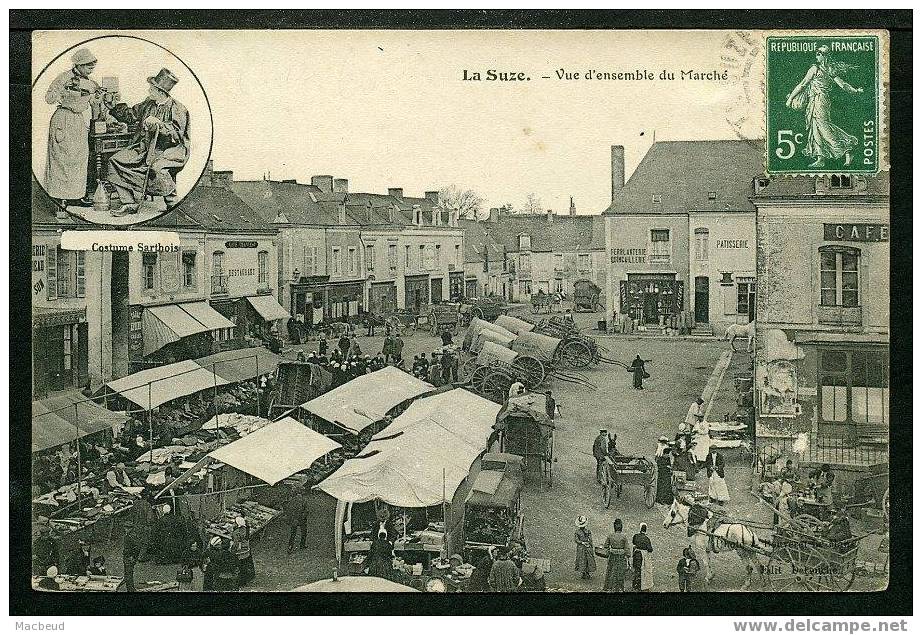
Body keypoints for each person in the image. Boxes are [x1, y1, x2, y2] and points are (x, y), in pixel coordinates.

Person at [106, 68, 191, 213]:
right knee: (114, 160)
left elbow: (177, 136)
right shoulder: (148, 103)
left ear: (160, 91)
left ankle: (172, 203)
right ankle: (128, 202)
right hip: (144, 147)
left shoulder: (178, 108)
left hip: (169, 150)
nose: (149, 91)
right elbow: (131, 114)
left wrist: (159, 124)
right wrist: (113, 105)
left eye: (151, 89)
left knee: (157, 168)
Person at [785, 44, 863, 169]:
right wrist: (855, 91)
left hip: (819, 100)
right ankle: (823, 157)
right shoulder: (828, 70)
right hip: (820, 101)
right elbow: (843, 85)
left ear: (825, 56)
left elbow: (803, 84)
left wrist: (790, 98)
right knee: (817, 127)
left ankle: (846, 149)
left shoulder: (816, 69)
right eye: (817, 52)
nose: (817, 55)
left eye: (820, 53)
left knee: (822, 127)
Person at [43, 47, 99, 205]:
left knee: (79, 157)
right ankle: (59, 197)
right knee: (62, 157)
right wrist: (61, 93)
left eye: (92, 67)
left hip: (78, 121)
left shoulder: (90, 83)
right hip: (63, 119)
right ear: (79, 65)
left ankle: (75, 196)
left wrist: (100, 97)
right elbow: (48, 98)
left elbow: (95, 102)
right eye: (88, 67)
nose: (91, 70)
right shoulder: (64, 78)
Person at [602, 519, 628, 592]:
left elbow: (606, 546)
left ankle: (609, 587)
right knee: (620, 572)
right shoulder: (624, 537)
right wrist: (627, 556)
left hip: (612, 556)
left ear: (614, 527)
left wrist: (610, 551)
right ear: (621, 527)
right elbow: (627, 550)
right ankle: (620, 588)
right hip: (621, 557)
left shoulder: (610, 536)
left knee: (611, 571)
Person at [231, 516, 255, 586]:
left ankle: (240, 582)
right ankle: (245, 581)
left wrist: (232, 551)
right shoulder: (246, 529)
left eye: (235, 522)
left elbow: (235, 544)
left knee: (239, 567)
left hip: (240, 552)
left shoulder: (236, 532)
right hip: (246, 551)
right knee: (244, 567)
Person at [284, 485, 309, 553]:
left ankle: (290, 547)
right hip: (301, 519)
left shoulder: (292, 499)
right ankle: (302, 545)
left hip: (294, 519)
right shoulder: (304, 499)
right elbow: (306, 510)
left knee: (293, 533)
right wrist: (304, 517)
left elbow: (288, 509)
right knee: (304, 532)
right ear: (301, 491)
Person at [631, 523, 654, 591]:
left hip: (636, 555)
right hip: (642, 556)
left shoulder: (636, 536)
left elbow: (634, 543)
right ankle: (642, 586)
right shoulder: (647, 539)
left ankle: (635, 585)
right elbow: (650, 549)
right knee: (643, 571)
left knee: (637, 570)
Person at [654, 436, 674, 505]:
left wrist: (670, 468)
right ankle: (660, 499)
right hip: (662, 475)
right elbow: (660, 466)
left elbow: (669, 464)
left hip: (667, 475)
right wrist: (667, 467)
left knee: (667, 486)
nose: (668, 456)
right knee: (662, 486)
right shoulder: (660, 458)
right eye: (667, 454)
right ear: (664, 454)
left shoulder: (667, 457)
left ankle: (667, 499)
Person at [122, 520, 141, 592]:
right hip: (128, 556)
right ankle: (130, 588)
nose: (126, 529)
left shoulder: (130, 536)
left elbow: (137, 547)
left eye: (128, 528)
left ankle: (130, 589)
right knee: (128, 573)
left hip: (129, 557)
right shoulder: (131, 535)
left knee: (128, 574)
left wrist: (133, 556)